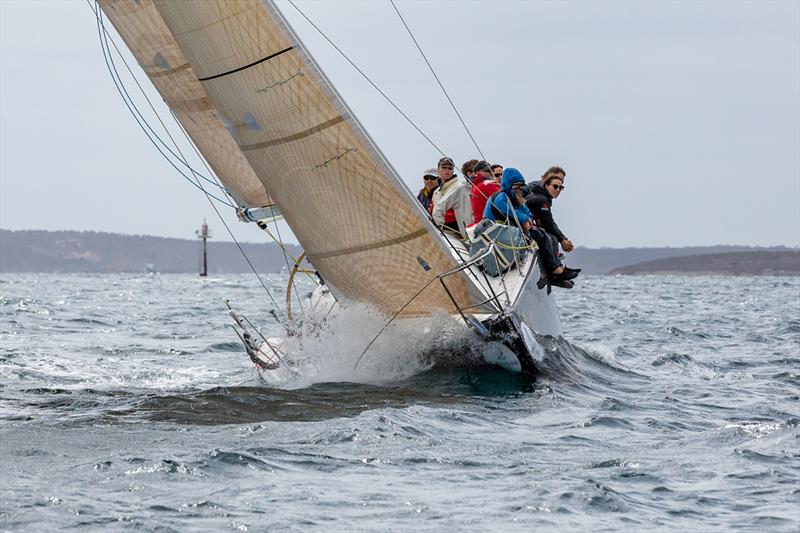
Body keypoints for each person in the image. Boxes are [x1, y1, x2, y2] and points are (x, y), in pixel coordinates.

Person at [483, 168, 575, 288]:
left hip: (509, 231)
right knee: (539, 234)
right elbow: (511, 212)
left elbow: (526, 211)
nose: (519, 189)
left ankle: (556, 269)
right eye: (516, 187)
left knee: (547, 235)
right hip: (495, 232)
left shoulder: (516, 198)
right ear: (509, 185)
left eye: (521, 187)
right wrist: (524, 220)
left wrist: (528, 219)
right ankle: (554, 270)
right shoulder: (501, 197)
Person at [525, 174, 575, 253]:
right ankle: (554, 265)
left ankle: (556, 263)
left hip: (527, 227)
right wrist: (562, 240)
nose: (558, 190)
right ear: (546, 186)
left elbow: (545, 221)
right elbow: (548, 222)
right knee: (550, 237)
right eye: (555, 186)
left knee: (550, 236)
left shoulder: (541, 196)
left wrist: (563, 239)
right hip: (524, 228)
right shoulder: (541, 200)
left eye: (561, 188)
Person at [431, 157, 473, 238]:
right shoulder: (437, 191)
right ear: (438, 170)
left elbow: (439, 209)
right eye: (444, 167)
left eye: (450, 168)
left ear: (453, 170)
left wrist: (437, 228)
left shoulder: (459, 187)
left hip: (460, 233)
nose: (447, 170)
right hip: (444, 232)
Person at [470, 160, 501, 224]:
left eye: (492, 170)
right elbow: (503, 201)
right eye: (488, 171)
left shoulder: (475, 186)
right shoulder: (488, 184)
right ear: (477, 172)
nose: (491, 172)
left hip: (479, 225)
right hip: (490, 226)